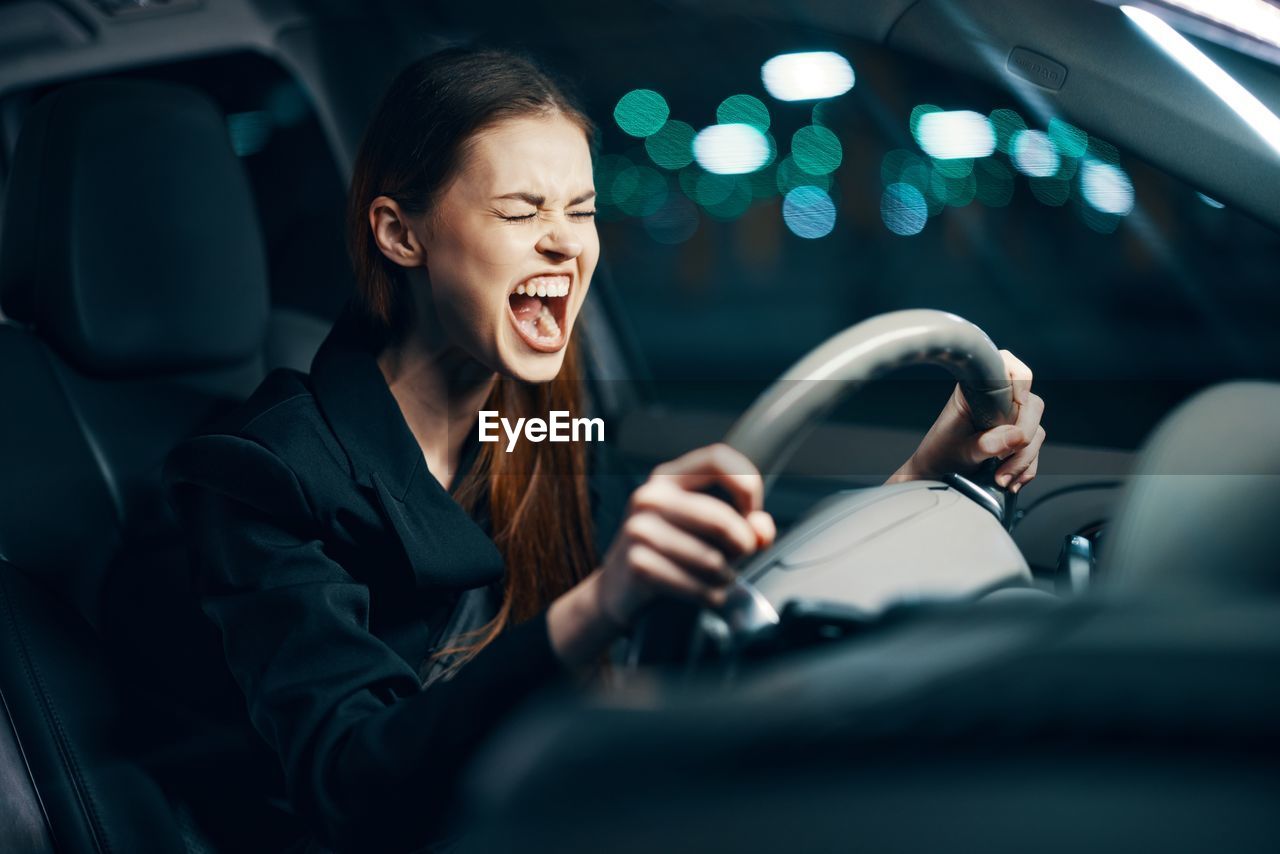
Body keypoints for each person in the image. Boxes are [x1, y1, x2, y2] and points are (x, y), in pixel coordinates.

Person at [164, 46, 1046, 853]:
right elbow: (351, 784)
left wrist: (921, 479)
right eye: (520, 211)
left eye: (580, 210)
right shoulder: (259, 474)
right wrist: (602, 603)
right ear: (401, 234)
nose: (564, 240)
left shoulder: (537, 419)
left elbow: (723, 599)